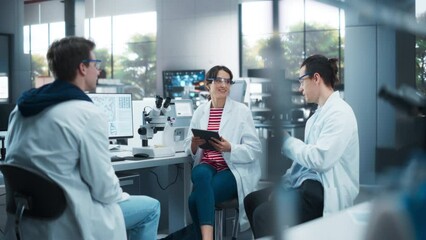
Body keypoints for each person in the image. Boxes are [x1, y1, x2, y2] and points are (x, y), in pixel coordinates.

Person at [4, 36, 160, 240]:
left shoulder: (20, 110)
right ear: (82, 68)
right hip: (73, 221)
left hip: (31, 220)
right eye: (96, 64)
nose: (99, 71)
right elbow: (105, 191)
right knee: (151, 207)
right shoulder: (86, 113)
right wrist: (122, 194)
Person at [244, 54, 360, 238]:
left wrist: (287, 141)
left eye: (301, 81)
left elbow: (320, 159)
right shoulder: (315, 117)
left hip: (323, 191)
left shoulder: (340, 113)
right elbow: (302, 165)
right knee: (252, 201)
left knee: (263, 214)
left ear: (316, 78)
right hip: (308, 185)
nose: (300, 88)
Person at [184, 65, 262, 240]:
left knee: (194, 199)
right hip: (207, 166)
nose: (223, 85)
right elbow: (188, 145)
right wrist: (194, 145)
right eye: (219, 80)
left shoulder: (241, 111)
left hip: (231, 169)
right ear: (208, 84)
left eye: (227, 81)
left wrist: (230, 148)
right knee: (200, 171)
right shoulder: (200, 112)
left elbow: (255, 149)